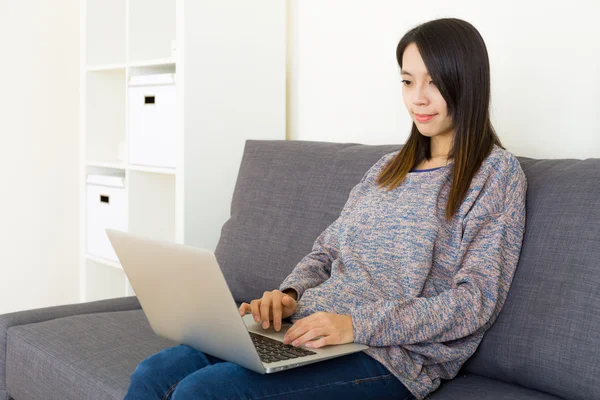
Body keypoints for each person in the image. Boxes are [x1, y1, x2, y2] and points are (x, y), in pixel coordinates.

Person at [124, 17, 527, 400]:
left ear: (467, 82)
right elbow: (326, 252)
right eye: (407, 81)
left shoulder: (494, 174)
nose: (417, 97)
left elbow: (475, 301)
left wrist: (354, 326)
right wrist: (289, 295)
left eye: (434, 82)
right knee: (154, 372)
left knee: (205, 391)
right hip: (307, 329)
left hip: (387, 356)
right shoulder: (387, 168)